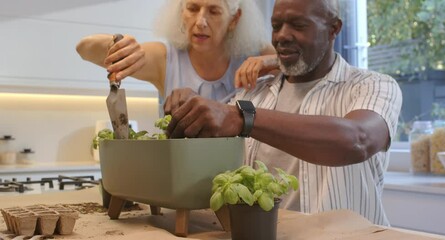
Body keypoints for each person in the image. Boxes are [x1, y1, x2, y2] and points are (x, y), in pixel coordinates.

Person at [163, 0, 402, 226]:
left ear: (333, 29)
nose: (282, 36)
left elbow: (357, 140)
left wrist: (242, 118)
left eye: (298, 26)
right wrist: (191, 111)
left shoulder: (373, 85)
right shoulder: (251, 95)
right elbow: (211, 158)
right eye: (276, 26)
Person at [76, 0, 277, 107]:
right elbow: (85, 48)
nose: (200, 21)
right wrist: (116, 43)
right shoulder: (165, 59)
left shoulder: (255, 54)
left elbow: (301, 71)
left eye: (213, 11)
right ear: (182, 12)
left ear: (234, 19)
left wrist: (273, 60)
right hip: (181, 179)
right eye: (192, 8)